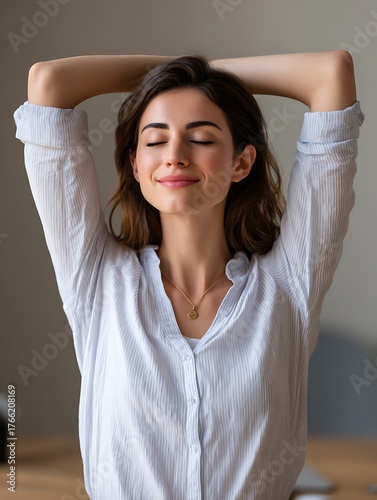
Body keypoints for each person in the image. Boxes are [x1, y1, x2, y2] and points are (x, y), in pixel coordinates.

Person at [14, 51, 363, 499]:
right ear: (137, 166)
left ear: (241, 162)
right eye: (155, 141)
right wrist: (185, 68)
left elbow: (331, 74)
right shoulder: (99, 279)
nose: (175, 156)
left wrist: (204, 72)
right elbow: (49, 82)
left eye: (200, 137)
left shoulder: (289, 284)